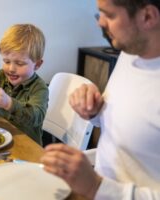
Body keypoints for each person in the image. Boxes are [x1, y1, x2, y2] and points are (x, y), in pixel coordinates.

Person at [41, 0, 160, 199]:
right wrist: (96, 110)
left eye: (110, 15)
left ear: (148, 16)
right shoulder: (130, 53)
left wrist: (95, 186)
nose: (100, 23)